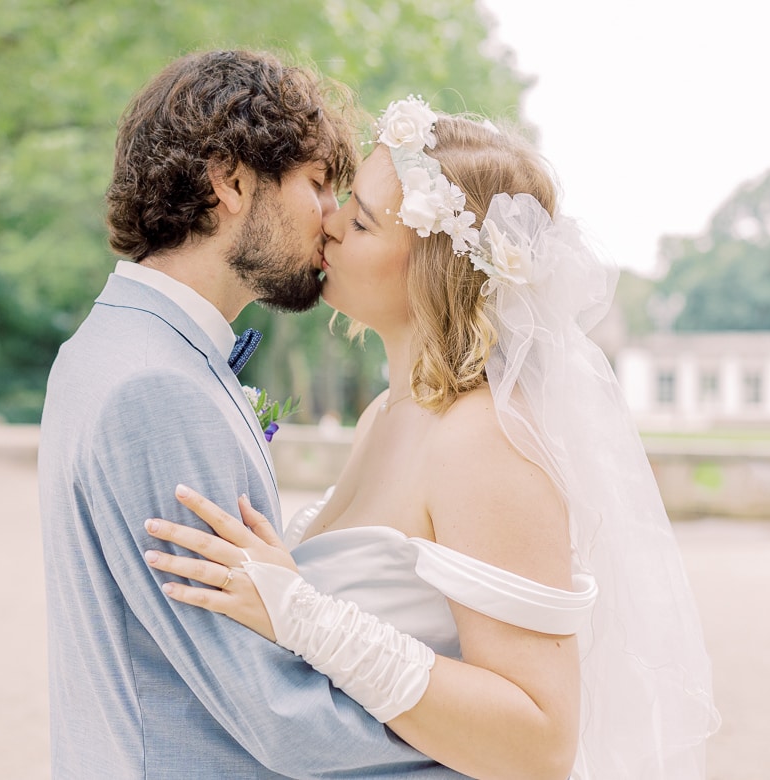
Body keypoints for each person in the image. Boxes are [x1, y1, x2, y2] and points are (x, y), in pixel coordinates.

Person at [142, 97, 722, 779]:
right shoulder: (386, 414)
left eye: (359, 220)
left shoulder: (484, 442)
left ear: (432, 267)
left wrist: (299, 613)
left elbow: (540, 743)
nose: (326, 224)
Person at [38, 54, 467, 778]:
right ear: (230, 181)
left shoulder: (105, 346)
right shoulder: (158, 389)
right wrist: (488, 746)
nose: (332, 217)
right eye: (317, 183)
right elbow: (280, 717)